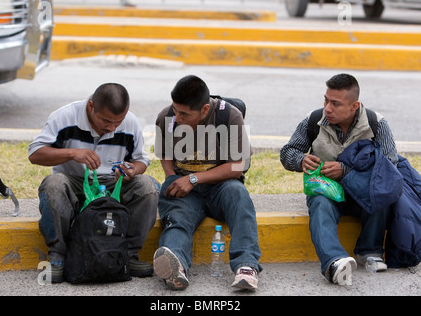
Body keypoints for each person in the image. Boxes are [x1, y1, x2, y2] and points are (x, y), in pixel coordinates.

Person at [28, 83, 159, 282]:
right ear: (91, 106)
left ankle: (127, 255)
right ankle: (58, 257)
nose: (112, 127)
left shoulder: (129, 122)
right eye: (106, 120)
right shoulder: (65, 117)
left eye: (118, 122)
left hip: (112, 184)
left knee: (148, 187)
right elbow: (35, 155)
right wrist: (72, 153)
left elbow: (141, 160)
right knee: (53, 184)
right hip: (75, 184)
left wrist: (132, 171)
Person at [280, 73, 398, 285]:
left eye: (335, 103)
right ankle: (334, 262)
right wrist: (301, 160)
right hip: (327, 191)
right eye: (326, 100)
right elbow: (288, 152)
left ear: (354, 106)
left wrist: (345, 170)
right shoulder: (313, 120)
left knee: (381, 195)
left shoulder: (377, 124)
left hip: (363, 191)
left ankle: (370, 251)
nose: (327, 108)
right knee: (319, 203)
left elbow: (390, 167)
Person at [153, 75, 262, 291]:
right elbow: (164, 153)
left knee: (239, 196)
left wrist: (194, 179)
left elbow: (237, 166)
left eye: (184, 113)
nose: (178, 117)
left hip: (221, 186)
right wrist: (172, 178)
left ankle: (246, 266)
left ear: (204, 110)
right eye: (176, 109)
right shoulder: (166, 117)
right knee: (177, 217)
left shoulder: (229, 115)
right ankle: (176, 268)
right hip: (185, 187)